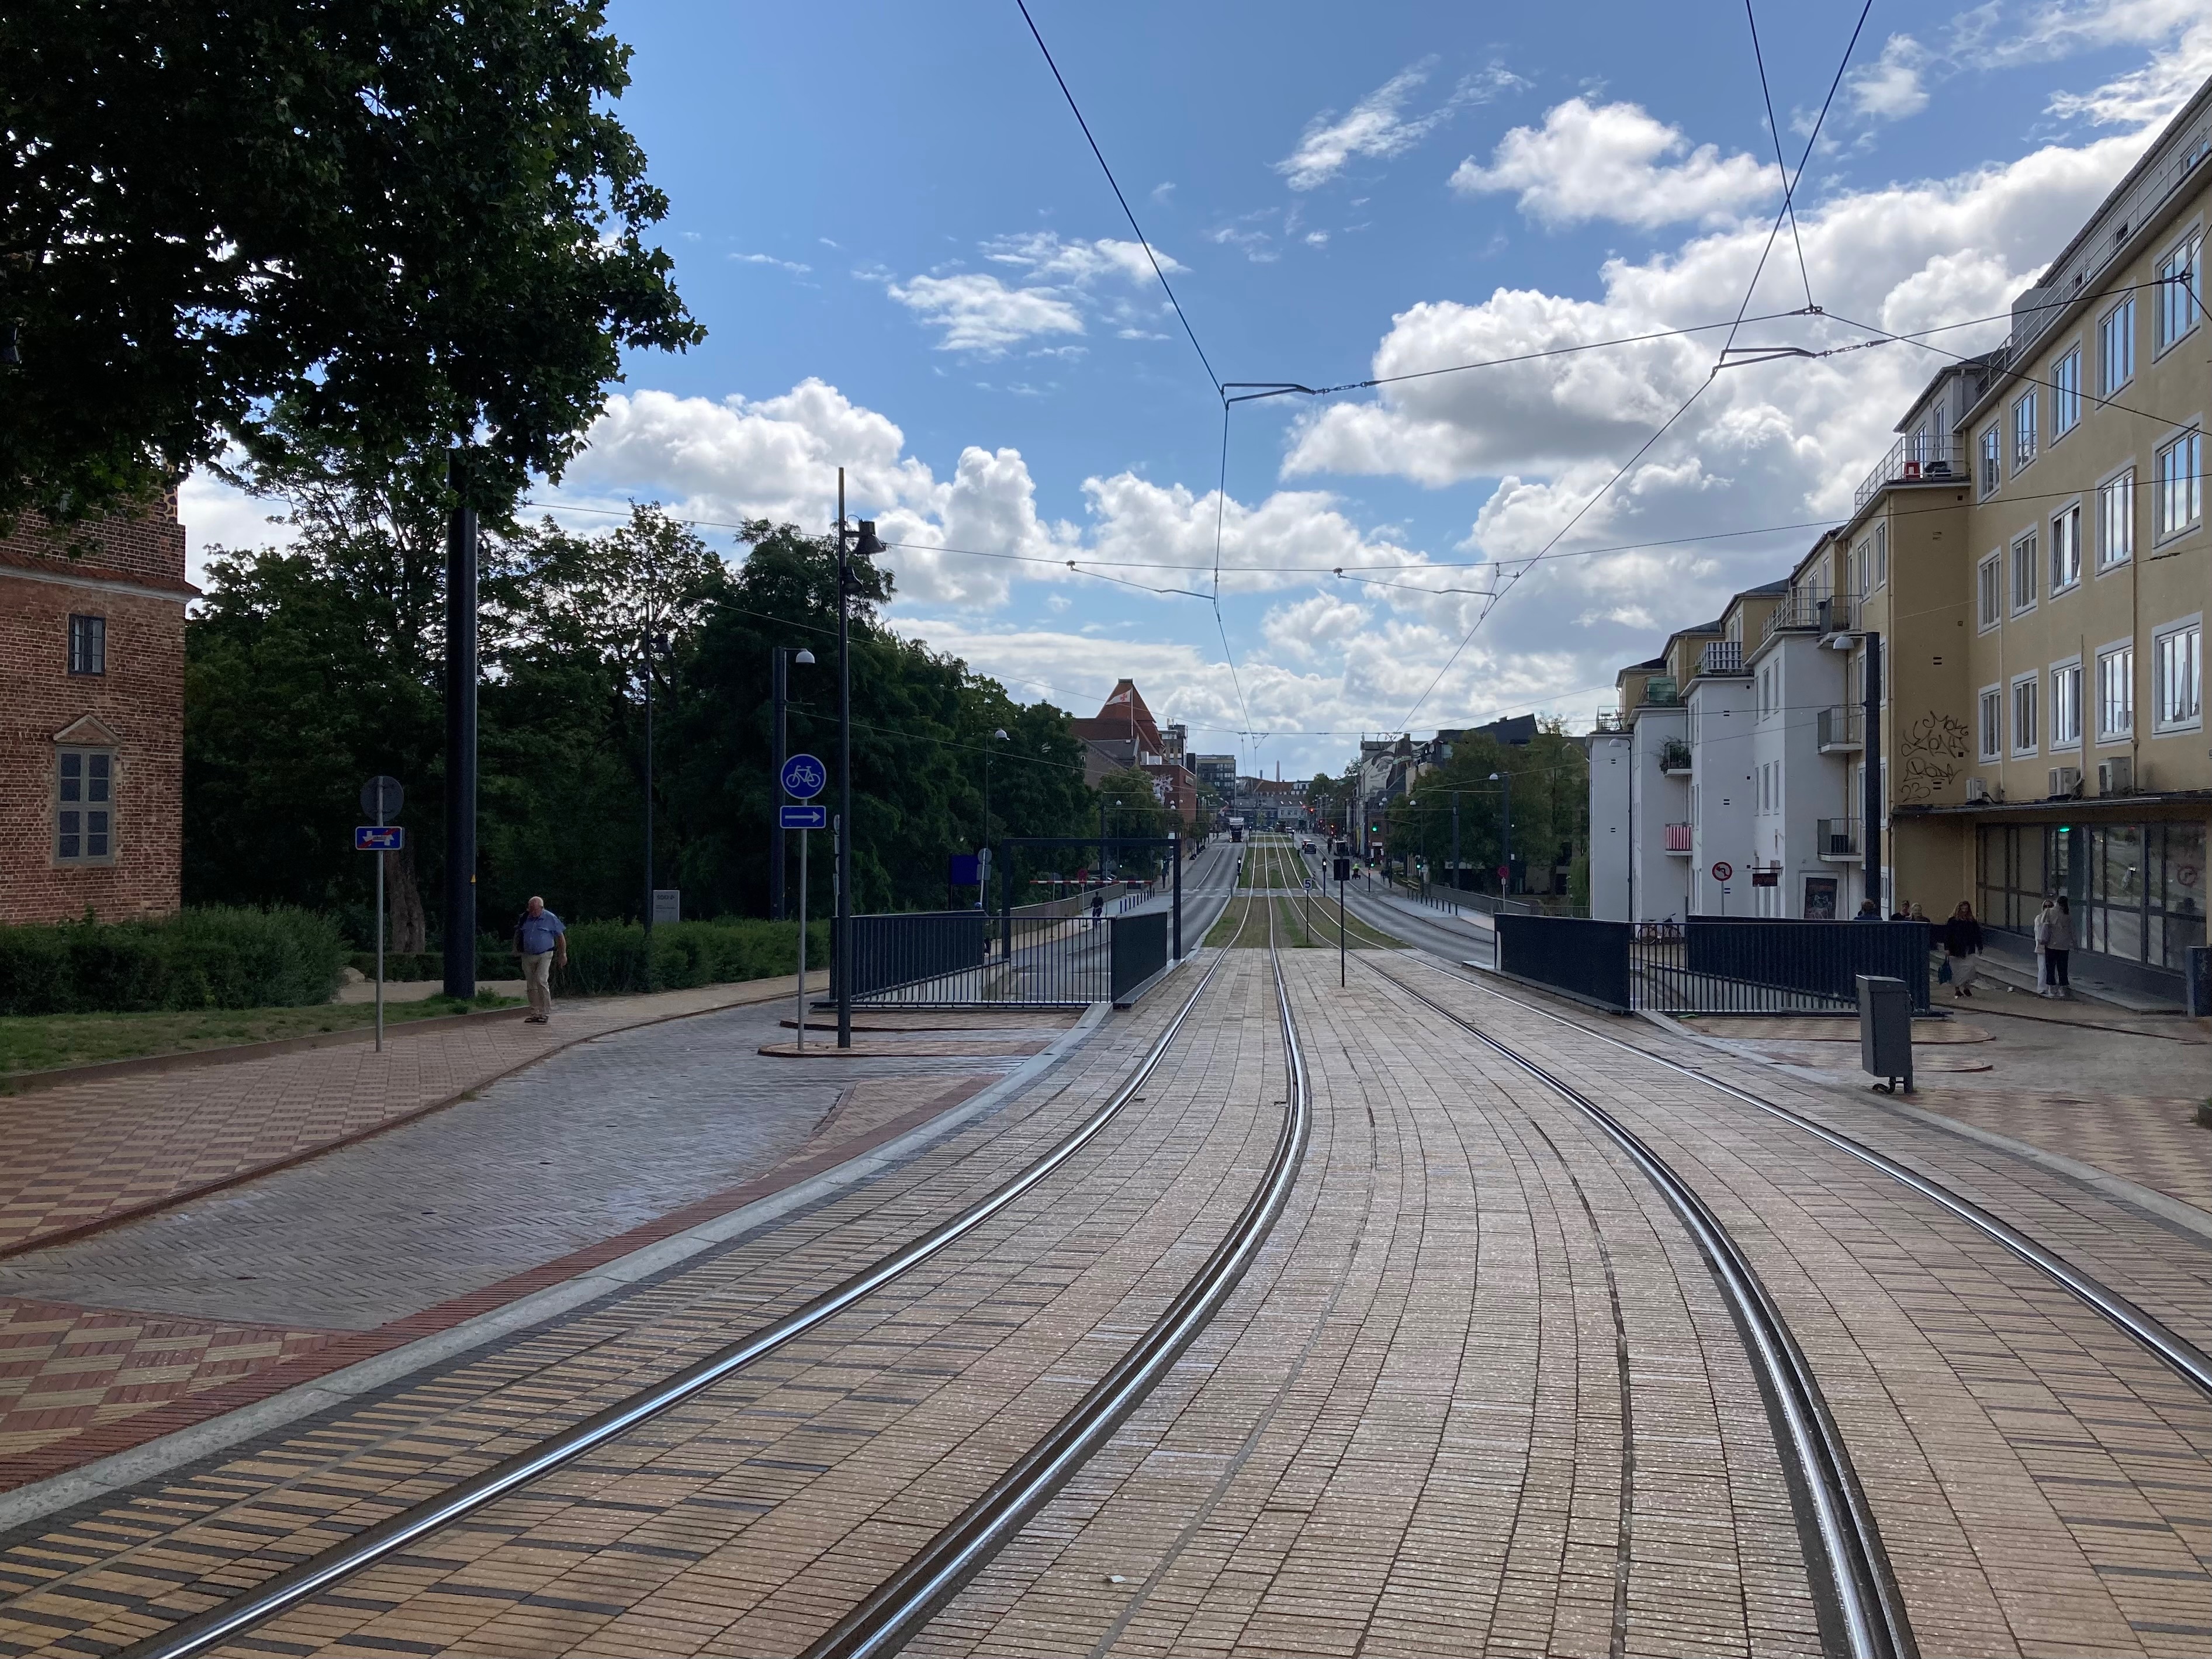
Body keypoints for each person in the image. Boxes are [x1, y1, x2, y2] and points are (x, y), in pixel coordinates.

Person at [513, 895, 568, 1023]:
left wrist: (563, 954)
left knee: (541, 980)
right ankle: (535, 1012)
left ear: (542, 908)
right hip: (527, 954)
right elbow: (518, 933)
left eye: (535, 909)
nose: (532, 912)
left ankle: (545, 1012)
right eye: (530, 909)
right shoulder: (525, 918)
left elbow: (560, 937)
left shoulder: (550, 918)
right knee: (531, 984)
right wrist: (516, 949)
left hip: (545, 953)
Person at [2034, 893, 2075, 998]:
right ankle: (2062, 989)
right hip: (2064, 946)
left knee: (2050, 968)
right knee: (2062, 968)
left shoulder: (2050, 912)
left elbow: (2043, 923)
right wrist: (2075, 944)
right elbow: (2072, 931)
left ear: (2057, 903)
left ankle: (2051, 989)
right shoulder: (2068, 915)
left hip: (2051, 945)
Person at [1941, 900, 1983, 998]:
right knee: (1956, 970)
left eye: (1966, 909)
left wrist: (1980, 946)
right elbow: (1948, 935)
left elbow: (1977, 934)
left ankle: (1966, 987)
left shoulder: (1972, 921)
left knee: (1970, 968)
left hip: (1969, 948)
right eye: (1963, 909)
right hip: (1955, 949)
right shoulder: (1953, 921)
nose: (1964, 911)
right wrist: (1947, 948)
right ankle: (1957, 989)